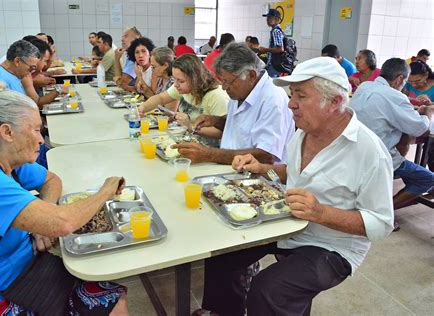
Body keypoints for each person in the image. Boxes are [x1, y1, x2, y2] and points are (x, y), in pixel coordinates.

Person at [194, 56, 394, 316]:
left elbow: (381, 223)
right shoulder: (303, 132)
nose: (290, 104)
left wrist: (320, 213)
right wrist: (263, 169)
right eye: (291, 94)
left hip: (332, 248)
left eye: (300, 95)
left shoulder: (369, 152)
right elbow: (295, 173)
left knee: (268, 290)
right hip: (289, 227)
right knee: (223, 254)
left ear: (334, 102)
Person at [0, 85, 129, 315]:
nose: (41, 140)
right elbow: (63, 223)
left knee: (112, 297)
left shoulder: (5, 159)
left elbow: (52, 179)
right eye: (36, 130)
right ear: (7, 133)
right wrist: (105, 191)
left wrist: (43, 217)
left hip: (26, 272)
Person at [174, 42, 294, 165]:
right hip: (231, 169)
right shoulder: (241, 90)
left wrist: (209, 154)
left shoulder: (272, 99)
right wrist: (216, 121)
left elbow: (266, 156)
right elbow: (241, 126)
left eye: (228, 82)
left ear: (251, 75)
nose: (224, 87)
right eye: (222, 81)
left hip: (256, 179)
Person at [351, 58, 433, 214]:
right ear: (400, 79)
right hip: (380, 159)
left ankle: (379, 201)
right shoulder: (395, 97)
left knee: (407, 160)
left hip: (356, 154)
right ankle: (383, 212)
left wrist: (411, 104)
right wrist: (427, 112)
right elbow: (419, 128)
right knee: (427, 178)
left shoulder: (364, 87)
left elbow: (388, 105)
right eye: (406, 82)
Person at [138, 54, 228, 141]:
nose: (176, 84)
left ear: (195, 79)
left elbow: (221, 132)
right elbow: (161, 98)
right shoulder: (182, 87)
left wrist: (191, 127)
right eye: (175, 79)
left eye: (181, 81)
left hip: (208, 148)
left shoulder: (216, 96)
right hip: (187, 139)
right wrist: (142, 108)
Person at [258, 8, 285, 78]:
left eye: (270, 17)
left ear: (276, 19)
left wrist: (265, 50)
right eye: (267, 18)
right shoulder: (276, 30)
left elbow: (280, 49)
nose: (267, 20)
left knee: (271, 84)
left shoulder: (276, 31)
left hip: (274, 65)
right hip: (273, 64)